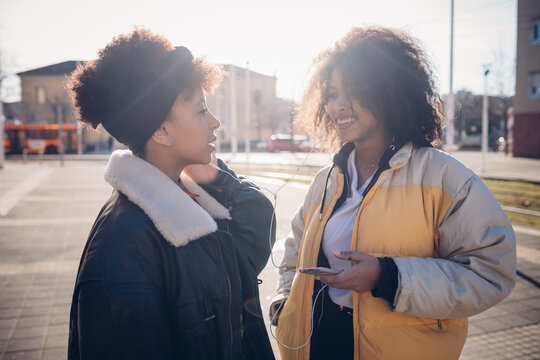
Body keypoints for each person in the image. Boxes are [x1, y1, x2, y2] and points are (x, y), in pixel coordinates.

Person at [270, 26, 516, 360]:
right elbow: (294, 250)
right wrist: (286, 304)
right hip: (321, 343)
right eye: (331, 94)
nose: (337, 106)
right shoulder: (326, 180)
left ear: (390, 92)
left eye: (353, 91)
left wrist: (390, 277)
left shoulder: (444, 177)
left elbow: (491, 270)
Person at [67, 28, 275, 360]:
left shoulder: (187, 203)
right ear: (162, 131)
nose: (216, 122)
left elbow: (251, 241)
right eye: (201, 110)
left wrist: (215, 179)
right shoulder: (123, 244)